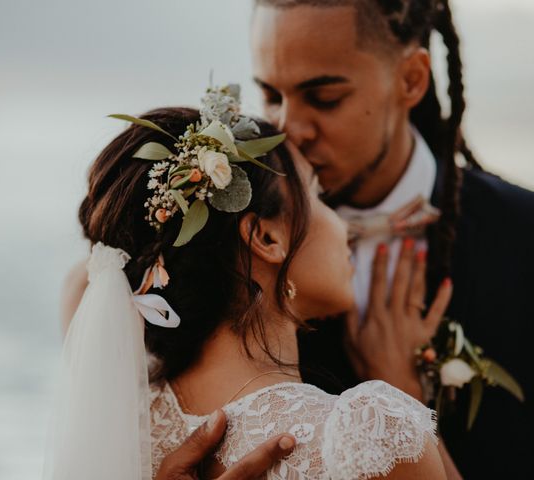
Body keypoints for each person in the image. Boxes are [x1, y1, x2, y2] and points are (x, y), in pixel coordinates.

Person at [48, 86, 460, 479]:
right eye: (318, 196)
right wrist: (405, 388)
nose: (347, 227)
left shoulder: (119, 411)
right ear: (266, 237)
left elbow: (85, 281)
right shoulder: (371, 437)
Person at [250, 1, 534, 478]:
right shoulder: (246, 245)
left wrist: (401, 393)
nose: (289, 130)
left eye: (324, 98)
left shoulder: (523, 234)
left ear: (410, 80)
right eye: (272, 96)